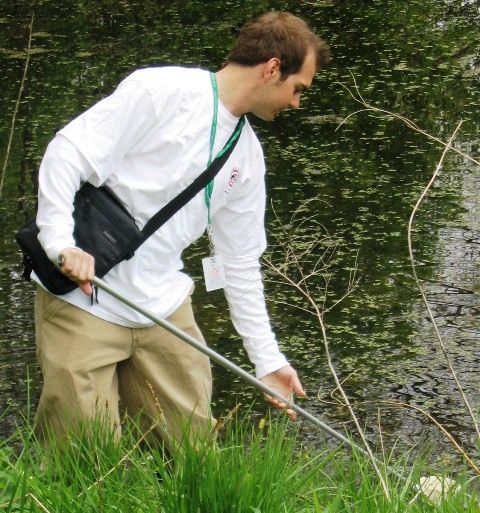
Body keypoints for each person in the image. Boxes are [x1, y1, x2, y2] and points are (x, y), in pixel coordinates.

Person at [33, 11, 330, 449]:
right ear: (271, 68)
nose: (296, 103)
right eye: (297, 88)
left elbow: (240, 264)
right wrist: (59, 242)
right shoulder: (162, 91)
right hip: (86, 296)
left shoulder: (247, 156)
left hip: (163, 310)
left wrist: (267, 361)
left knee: (191, 461)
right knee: (82, 460)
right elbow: (66, 154)